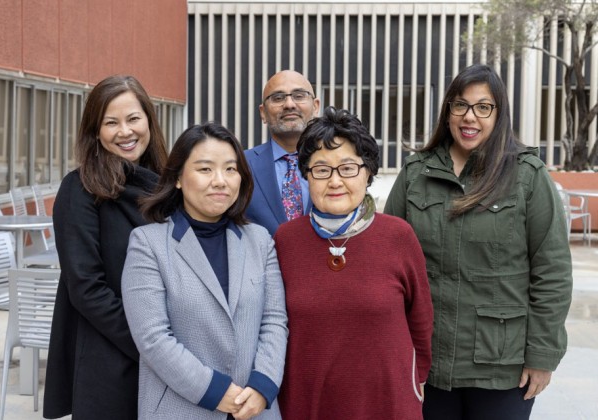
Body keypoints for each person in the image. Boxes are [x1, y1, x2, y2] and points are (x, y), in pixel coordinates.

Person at [384, 64, 573, 420]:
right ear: (448, 111)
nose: (470, 117)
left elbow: (553, 272)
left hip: (502, 366)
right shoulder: (416, 173)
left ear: (499, 114)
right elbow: (387, 263)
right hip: (427, 361)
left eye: (483, 107)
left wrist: (542, 355)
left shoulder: (527, 176)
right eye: (460, 105)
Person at [274, 106, 433, 420]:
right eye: (321, 169)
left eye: (348, 168)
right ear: (306, 175)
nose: (335, 181)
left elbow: (421, 319)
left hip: (387, 400)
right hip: (308, 402)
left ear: (368, 172)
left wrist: (418, 380)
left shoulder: (398, 236)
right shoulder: (284, 240)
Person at [121, 123, 288, 420]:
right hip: (180, 408)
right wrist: (214, 391)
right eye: (205, 169)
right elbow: (152, 337)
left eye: (230, 169)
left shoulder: (260, 241)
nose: (220, 181)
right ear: (177, 179)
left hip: (255, 409)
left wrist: (263, 385)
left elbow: (274, 320)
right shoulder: (148, 244)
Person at [43, 75, 168, 419]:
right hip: (112, 354)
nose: (125, 132)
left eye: (133, 119)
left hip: (170, 358)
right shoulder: (80, 190)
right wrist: (152, 345)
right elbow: (86, 287)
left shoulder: (167, 184)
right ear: (95, 131)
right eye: (111, 122)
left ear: (148, 120)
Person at [245, 70, 320, 235]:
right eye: (278, 98)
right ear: (263, 112)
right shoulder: (240, 165)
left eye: (299, 96)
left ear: (316, 107)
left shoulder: (337, 165)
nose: (289, 104)